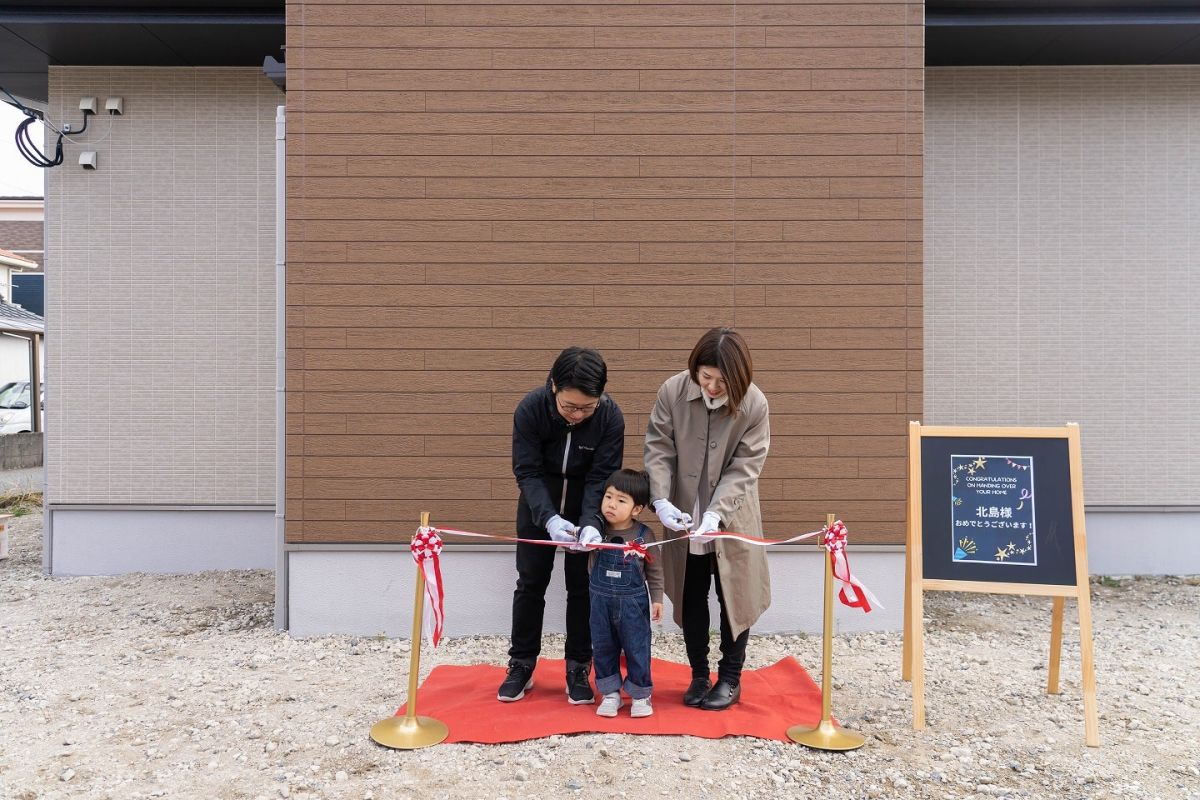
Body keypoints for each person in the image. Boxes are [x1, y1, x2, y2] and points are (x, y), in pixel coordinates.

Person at [644, 327, 771, 711]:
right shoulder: (672, 391)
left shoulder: (754, 404)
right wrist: (661, 500)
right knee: (691, 592)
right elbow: (659, 447)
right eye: (705, 377)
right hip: (684, 512)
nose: (713, 386)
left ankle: (730, 678)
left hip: (731, 516)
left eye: (722, 380)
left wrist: (717, 512)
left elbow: (747, 465)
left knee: (734, 594)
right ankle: (699, 674)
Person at [498, 347, 625, 704]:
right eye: (569, 406)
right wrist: (549, 518)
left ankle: (578, 666)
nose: (577, 414)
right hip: (540, 506)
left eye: (587, 407)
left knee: (583, 587)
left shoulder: (610, 417)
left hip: (588, 502)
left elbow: (603, 475)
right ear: (554, 386)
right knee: (530, 584)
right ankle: (521, 664)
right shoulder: (531, 408)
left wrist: (591, 524)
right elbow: (527, 470)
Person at [579, 468, 664, 718]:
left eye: (621, 500)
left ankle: (640, 694)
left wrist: (657, 598)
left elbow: (655, 570)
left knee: (637, 647)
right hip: (599, 602)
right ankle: (610, 693)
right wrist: (580, 537)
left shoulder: (643, 535)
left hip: (633, 605)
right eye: (608, 497)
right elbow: (575, 549)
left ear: (637, 509)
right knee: (603, 647)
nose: (611, 505)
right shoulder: (596, 530)